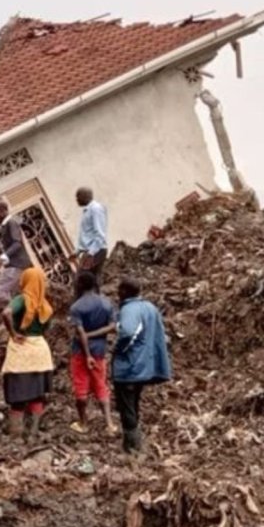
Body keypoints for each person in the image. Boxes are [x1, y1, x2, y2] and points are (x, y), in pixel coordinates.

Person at [106, 277, 172, 454]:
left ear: (125, 292)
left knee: (126, 406)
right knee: (134, 403)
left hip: (129, 366)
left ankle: (133, 448)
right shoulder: (150, 307)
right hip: (145, 366)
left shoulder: (129, 309)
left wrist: (118, 350)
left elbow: (127, 333)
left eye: (119, 290)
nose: (117, 294)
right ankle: (133, 442)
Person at [1, 267, 55, 440]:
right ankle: (33, 434)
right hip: (39, 352)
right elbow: (46, 329)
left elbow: (6, 312)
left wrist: (13, 333)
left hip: (21, 352)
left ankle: (15, 435)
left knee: (17, 397)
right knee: (37, 396)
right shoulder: (45, 306)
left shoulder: (22, 299)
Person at [68, 271, 116, 435]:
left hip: (81, 352)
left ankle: (83, 423)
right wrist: (95, 334)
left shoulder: (77, 307)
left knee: (81, 386)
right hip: (100, 351)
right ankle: (109, 424)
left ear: (80, 285)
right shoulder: (106, 303)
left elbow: (81, 333)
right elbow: (112, 326)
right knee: (100, 384)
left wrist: (87, 353)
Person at [0, 199, 33, 311]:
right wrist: (2, 261)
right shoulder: (6, 225)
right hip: (17, 265)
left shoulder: (11, 223)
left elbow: (17, 243)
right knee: (15, 293)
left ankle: (11, 313)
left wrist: (2, 258)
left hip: (18, 265)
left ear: (1, 212)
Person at [72, 187, 108, 284]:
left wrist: (91, 254)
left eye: (78, 197)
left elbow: (100, 234)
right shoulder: (88, 210)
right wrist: (77, 252)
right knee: (87, 281)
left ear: (84, 197)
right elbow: (88, 234)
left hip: (96, 250)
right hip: (92, 250)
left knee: (83, 280)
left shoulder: (95, 209)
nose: (77, 200)